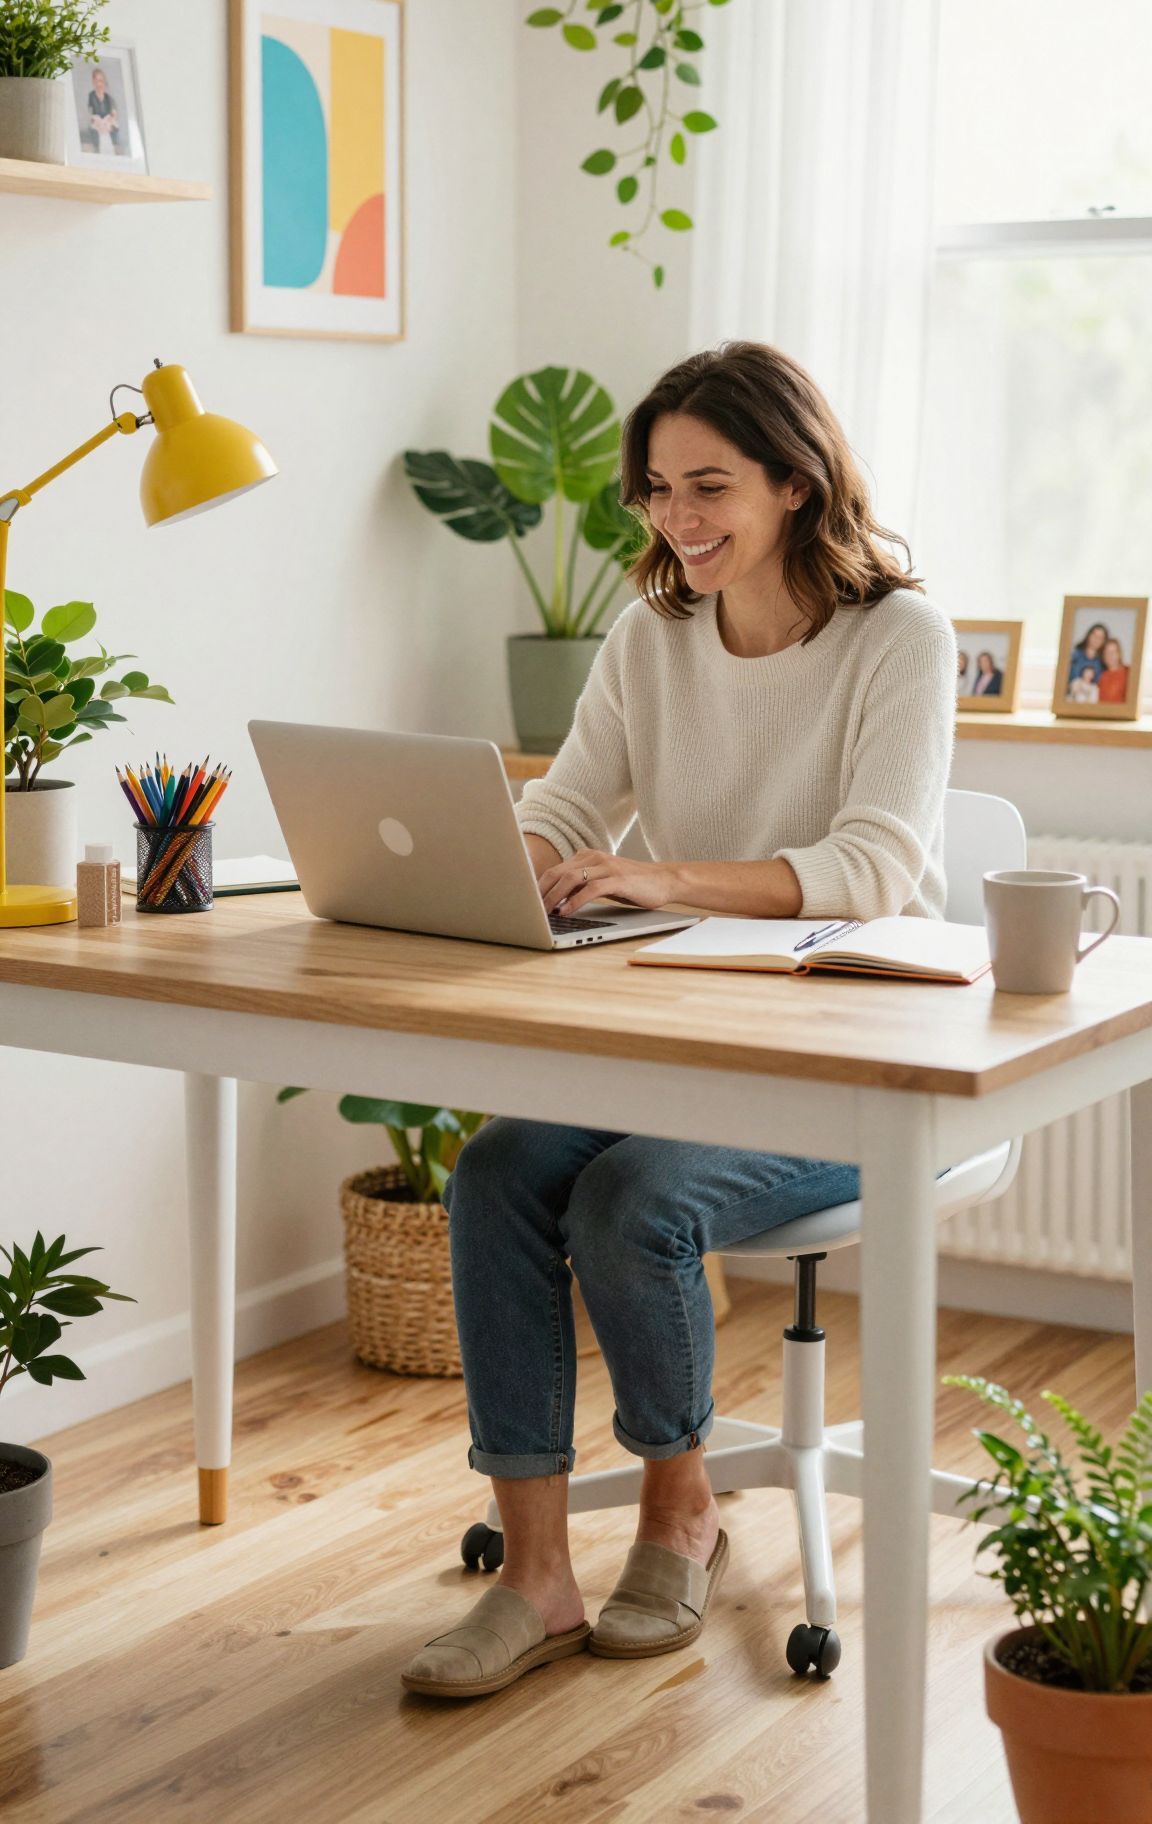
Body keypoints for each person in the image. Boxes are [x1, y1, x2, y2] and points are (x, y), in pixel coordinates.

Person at [401, 340, 956, 1700]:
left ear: (793, 480)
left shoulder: (901, 634)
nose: (677, 519)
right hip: (685, 1041)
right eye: (656, 489)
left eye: (709, 484)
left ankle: (681, 1512)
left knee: (635, 1200)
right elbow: (567, 808)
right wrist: (503, 859)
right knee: (496, 1172)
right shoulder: (650, 637)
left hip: (868, 1065)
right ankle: (535, 1577)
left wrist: (666, 875)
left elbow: (875, 867)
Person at [82, 67, 120, 154]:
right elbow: (89, 113)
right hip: (97, 126)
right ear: (93, 82)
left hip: (107, 126)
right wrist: (96, 122)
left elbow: (114, 114)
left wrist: (109, 122)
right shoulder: (91, 96)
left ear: (104, 81)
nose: (99, 83)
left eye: (101, 80)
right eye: (96, 81)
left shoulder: (109, 98)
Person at [1067, 621, 1108, 695]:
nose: (1096, 639)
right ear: (1089, 635)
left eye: (1100, 638)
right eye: (1094, 635)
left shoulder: (1103, 662)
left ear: (1103, 641)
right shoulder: (1075, 655)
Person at [1097, 636, 1129, 705]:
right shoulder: (1102, 676)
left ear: (1119, 654)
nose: (1110, 655)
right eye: (1107, 652)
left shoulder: (1128, 672)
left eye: (1113, 652)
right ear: (1103, 656)